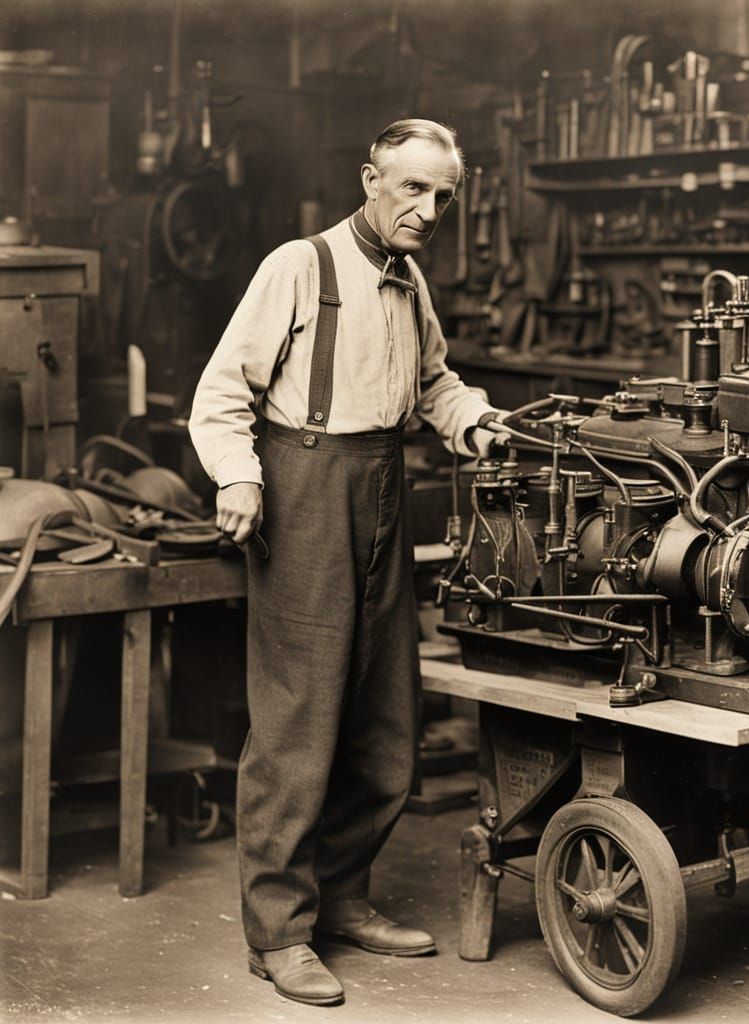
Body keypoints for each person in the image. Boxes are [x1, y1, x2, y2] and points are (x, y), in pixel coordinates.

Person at [189, 118, 507, 1008]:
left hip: (384, 484)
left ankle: (344, 899)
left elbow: (436, 382)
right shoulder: (300, 266)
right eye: (411, 188)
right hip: (304, 485)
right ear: (370, 179)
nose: (428, 209)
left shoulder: (409, 279)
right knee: (298, 725)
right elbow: (221, 394)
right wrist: (242, 479)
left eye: (442, 195)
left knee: (385, 716)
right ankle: (280, 934)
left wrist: (472, 421)